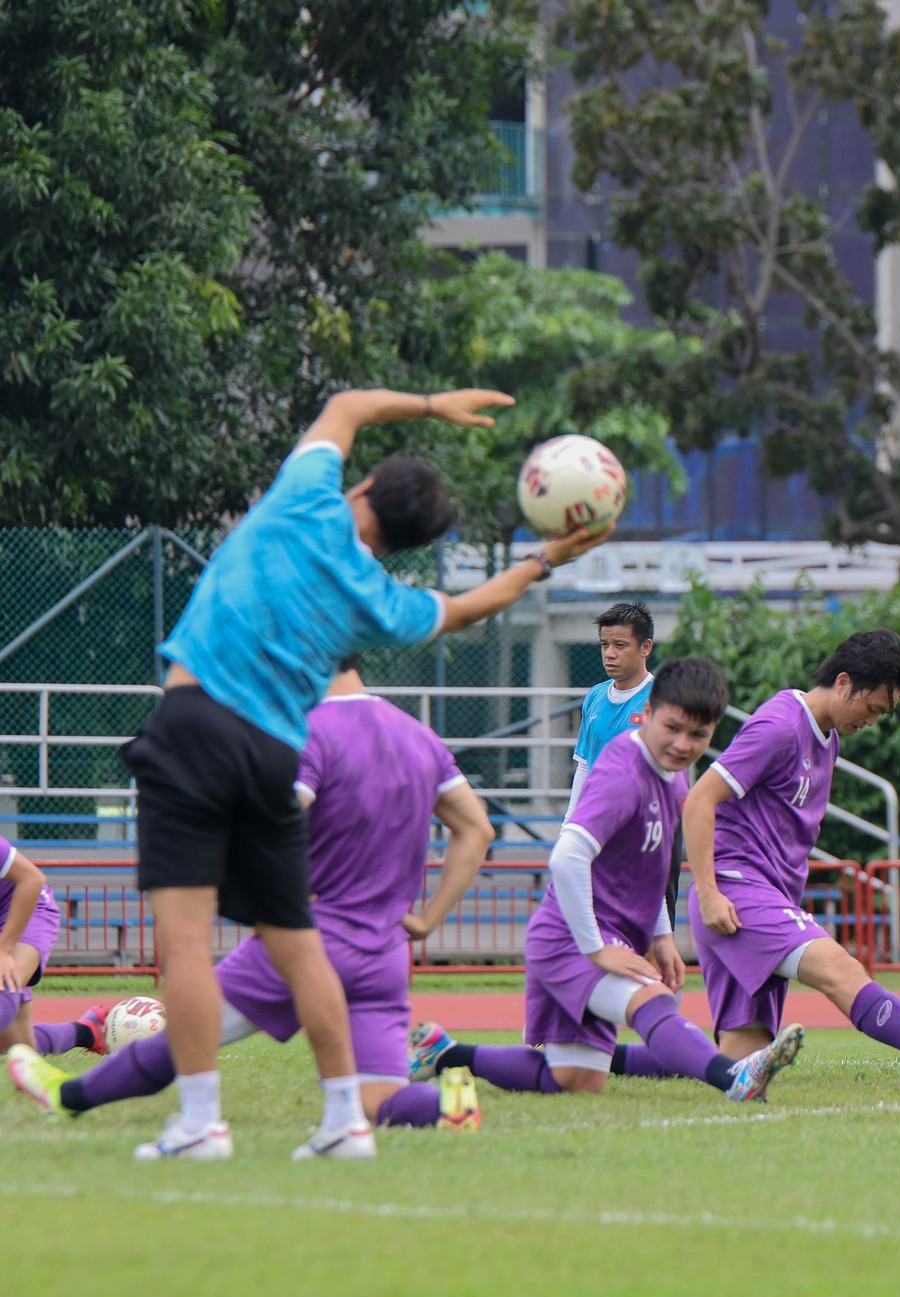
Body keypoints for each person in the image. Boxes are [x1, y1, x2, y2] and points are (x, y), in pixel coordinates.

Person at [120, 386, 610, 1160]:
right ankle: (347, 1121)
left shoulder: (301, 499)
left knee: (183, 942)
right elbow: (466, 607)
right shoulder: (375, 600)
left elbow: (346, 405)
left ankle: (200, 1123)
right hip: (272, 752)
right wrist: (547, 557)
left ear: (362, 488)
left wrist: (430, 405)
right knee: (296, 940)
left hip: (198, 730)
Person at [9, 660, 497, 1149]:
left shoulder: (309, 732)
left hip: (310, 939)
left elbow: (273, 824)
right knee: (378, 1098)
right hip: (386, 950)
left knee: (186, 1034)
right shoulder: (418, 735)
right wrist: (428, 919)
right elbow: (477, 830)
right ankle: (448, 1103)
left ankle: (67, 1094)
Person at [409, 657, 805, 1101]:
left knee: (575, 1079)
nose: (682, 744)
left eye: (698, 735)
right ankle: (734, 1078)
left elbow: (651, 866)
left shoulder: (673, 779)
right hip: (570, 938)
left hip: (593, 934)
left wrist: (660, 934)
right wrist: (596, 947)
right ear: (648, 713)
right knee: (650, 1000)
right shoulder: (624, 770)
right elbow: (567, 857)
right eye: (672, 727)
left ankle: (441, 1053)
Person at [688, 630, 900, 1087]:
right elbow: (699, 799)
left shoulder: (828, 737)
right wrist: (708, 892)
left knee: (742, 1067)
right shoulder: (781, 724)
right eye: (873, 707)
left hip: (762, 896)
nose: (872, 721)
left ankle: (589, 1063)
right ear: (844, 682)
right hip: (738, 894)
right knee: (841, 970)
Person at [0, 837, 109, 1057]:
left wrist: (4, 949)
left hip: (24, 909)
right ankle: (86, 1032)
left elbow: (32, 879)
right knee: (17, 1049)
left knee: (3, 987)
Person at [568, 602, 657, 813]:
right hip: (596, 819)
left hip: (640, 821)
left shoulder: (661, 699)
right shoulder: (594, 696)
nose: (609, 653)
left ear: (645, 647)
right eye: (604, 644)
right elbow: (584, 765)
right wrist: (569, 824)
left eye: (620, 645)